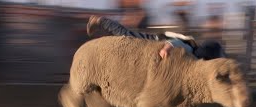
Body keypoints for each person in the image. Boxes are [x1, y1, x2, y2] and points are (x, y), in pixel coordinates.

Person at [87, 16, 225, 60]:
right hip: (153, 42)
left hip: (157, 41)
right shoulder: (190, 48)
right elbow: (175, 42)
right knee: (125, 34)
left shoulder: (194, 47)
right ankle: (100, 21)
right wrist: (166, 48)